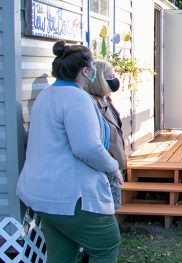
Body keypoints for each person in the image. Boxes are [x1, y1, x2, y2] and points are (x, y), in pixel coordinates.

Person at [16, 40, 122, 262]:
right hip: (69, 196)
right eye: (92, 66)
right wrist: (113, 167)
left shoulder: (46, 95)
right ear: (85, 71)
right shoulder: (77, 98)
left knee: (62, 254)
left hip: (42, 195)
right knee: (106, 245)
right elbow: (86, 148)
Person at [84, 60, 127, 210]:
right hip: (105, 167)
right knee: (106, 209)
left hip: (113, 164)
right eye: (111, 75)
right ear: (100, 79)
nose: (115, 79)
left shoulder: (105, 99)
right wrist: (112, 166)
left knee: (112, 208)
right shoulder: (91, 104)